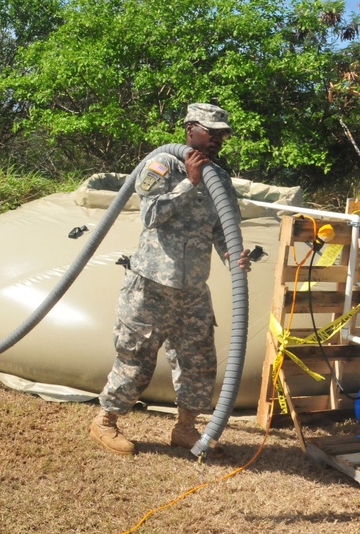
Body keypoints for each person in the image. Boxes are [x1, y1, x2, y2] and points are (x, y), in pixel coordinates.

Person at [89, 102, 251, 457]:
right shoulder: (161, 166)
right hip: (151, 285)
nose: (218, 140)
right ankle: (106, 421)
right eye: (212, 132)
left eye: (222, 134)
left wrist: (232, 255)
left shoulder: (220, 179)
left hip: (193, 290)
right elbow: (150, 215)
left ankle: (185, 429)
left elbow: (223, 231)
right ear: (191, 129)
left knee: (199, 361)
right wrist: (189, 184)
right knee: (136, 357)